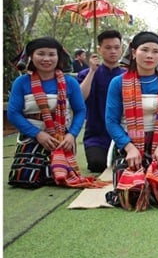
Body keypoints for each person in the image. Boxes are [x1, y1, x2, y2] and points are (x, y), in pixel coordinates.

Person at [105, 31, 158, 209]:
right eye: (144, 50)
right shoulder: (118, 82)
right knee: (130, 195)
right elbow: (111, 121)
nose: (150, 55)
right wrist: (129, 147)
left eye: (155, 51)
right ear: (133, 52)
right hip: (129, 145)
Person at [7, 37, 94, 188]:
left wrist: (71, 135)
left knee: (56, 177)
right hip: (31, 137)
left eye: (51, 54)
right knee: (25, 178)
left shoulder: (69, 82)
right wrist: (38, 134)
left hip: (61, 138)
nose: (46, 59)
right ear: (31, 57)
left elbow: (80, 111)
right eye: (41, 54)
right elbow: (13, 113)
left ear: (58, 57)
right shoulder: (21, 83)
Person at [77, 29, 125, 173]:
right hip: (96, 134)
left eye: (117, 48)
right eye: (108, 48)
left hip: (124, 133)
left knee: (124, 165)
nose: (113, 52)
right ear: (99, 49)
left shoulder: (127, 75)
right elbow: (80, 99)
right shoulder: (86, 74)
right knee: (97, 164)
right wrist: (92, 71)